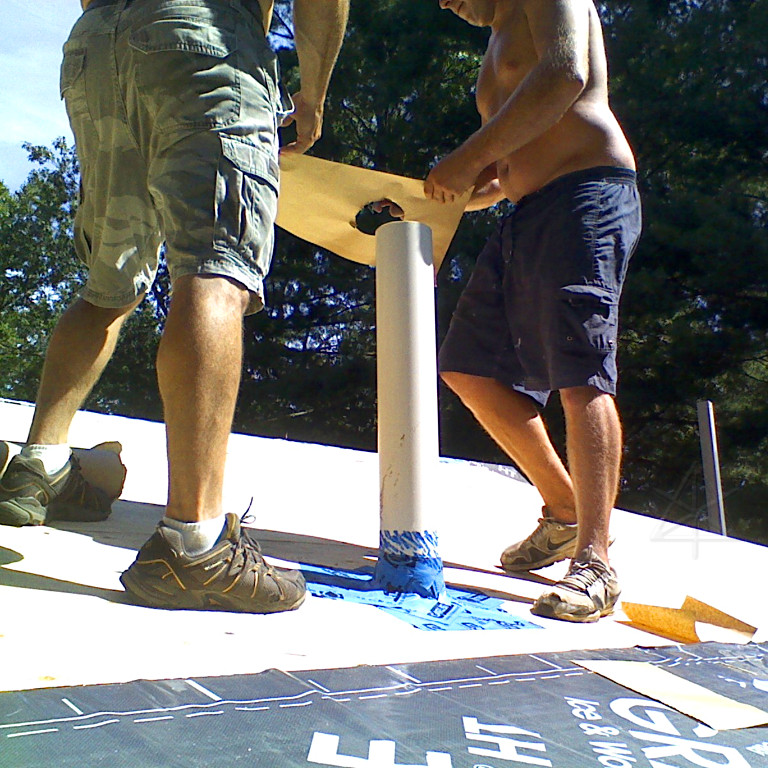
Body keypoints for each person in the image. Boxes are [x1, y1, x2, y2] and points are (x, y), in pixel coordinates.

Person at [0, 0, 349, 614]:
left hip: (98, 44)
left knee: (109, 282)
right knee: (216, 264)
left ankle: (40, 464)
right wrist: (312, 95)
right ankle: (195, 543)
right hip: (203, 38)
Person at [426, 0, 642, 622]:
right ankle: (565, 512)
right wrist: (447, 194)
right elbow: (507, 165)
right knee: (467, 366)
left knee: (581, 371)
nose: (443, 1)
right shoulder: (496, 39)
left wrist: (467, 159)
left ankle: (595, 562)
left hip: (586, 195)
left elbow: (565, 75)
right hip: (527, 210)